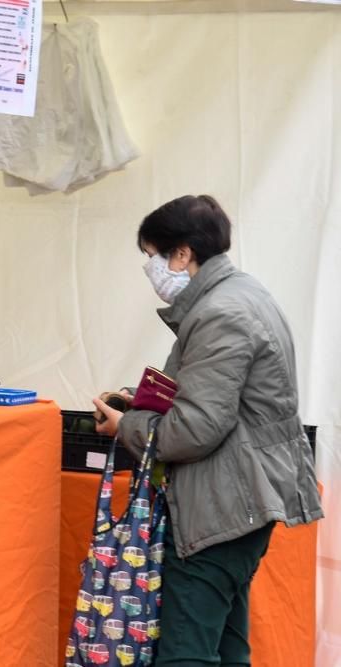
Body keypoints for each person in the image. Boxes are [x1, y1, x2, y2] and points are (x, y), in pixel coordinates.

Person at [93, 194, 322, 665]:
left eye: (152, 255)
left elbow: (196, 429)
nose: (150, 268)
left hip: (222, 505)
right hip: (239, 501)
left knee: (186, 652)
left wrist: (128, 425)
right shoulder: (242, 294)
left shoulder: (221, 312)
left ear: (182, 253)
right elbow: (219, 403)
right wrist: (147, 407)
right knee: (226, 645)